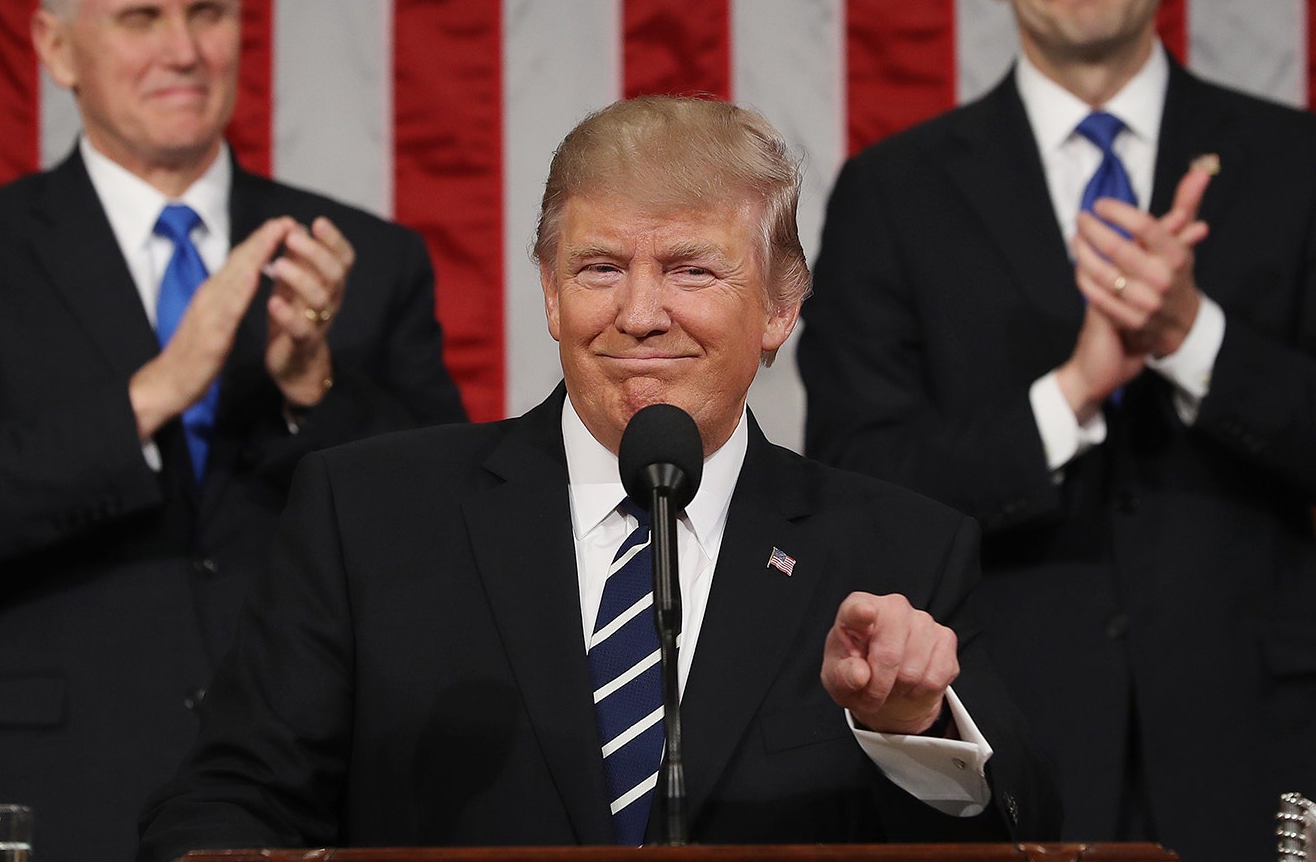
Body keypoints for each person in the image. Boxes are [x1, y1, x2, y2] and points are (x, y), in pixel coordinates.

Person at [135, 96, 1061, 859]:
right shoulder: (369, 516)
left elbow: (1022, 829)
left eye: (693, 269)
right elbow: (224, 809)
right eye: (600, 267)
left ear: (781, 308)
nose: (641, 313)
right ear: (548, 290)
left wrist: (909, 729)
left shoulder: (896, 546)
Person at [796, 0, 1316, 862]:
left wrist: (1192, 337)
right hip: (1014, 734)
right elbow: (860, 482)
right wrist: (1070, 394)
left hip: (1267, 743)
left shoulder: (1311, 165)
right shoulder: (893, 193)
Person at [0, 0, 466, 862]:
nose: (183, 50)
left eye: (207, 14)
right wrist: (154, 393)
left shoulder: (364, 257)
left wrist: (314, 387)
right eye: (140, 17)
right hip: (43, 791)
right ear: (56, 47)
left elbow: (446, 534)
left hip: (302, 792)